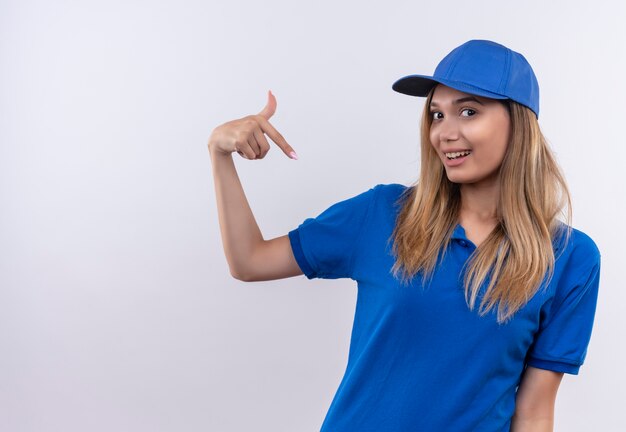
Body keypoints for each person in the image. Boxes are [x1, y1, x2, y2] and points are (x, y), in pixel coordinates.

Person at [208, 39, 601, 431]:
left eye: (468, 111)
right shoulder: (384, 214)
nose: (444, 133)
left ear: (519, 124)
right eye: (436, 115)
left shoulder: (570, 257)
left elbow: (534, 412)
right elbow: (249, 260)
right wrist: (219, 153)